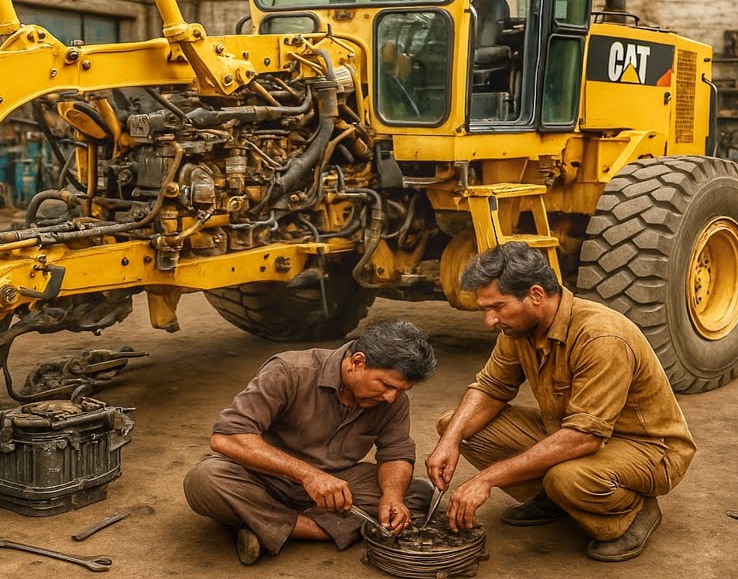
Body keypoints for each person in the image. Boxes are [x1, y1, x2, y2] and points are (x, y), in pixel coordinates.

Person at [426, 241, 696, 562]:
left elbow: (584, 437)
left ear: (536, 295)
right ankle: (552, 498)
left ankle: (634, 510)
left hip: (647, 448)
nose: (489, 320)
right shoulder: (518, 330)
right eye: (485, 309)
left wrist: (486, 479)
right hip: (571, 430)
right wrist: (450, 441)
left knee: (566, 478)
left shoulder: (601, 336)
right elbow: (490, 388)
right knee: (454, 425)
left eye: (496, 307)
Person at [183, 321, 438, 565]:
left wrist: (392, 497)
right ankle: (321, 530)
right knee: (205, 479)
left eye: (401, 391)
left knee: (418, 493)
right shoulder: (289, 371)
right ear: (357, 362)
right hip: (266, 476)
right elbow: (227, 436)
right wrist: (310, 476)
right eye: (386, 385)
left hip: (339, 486)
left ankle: (266, 527)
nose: (391, 397)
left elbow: (395, 451)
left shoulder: (391, 400)